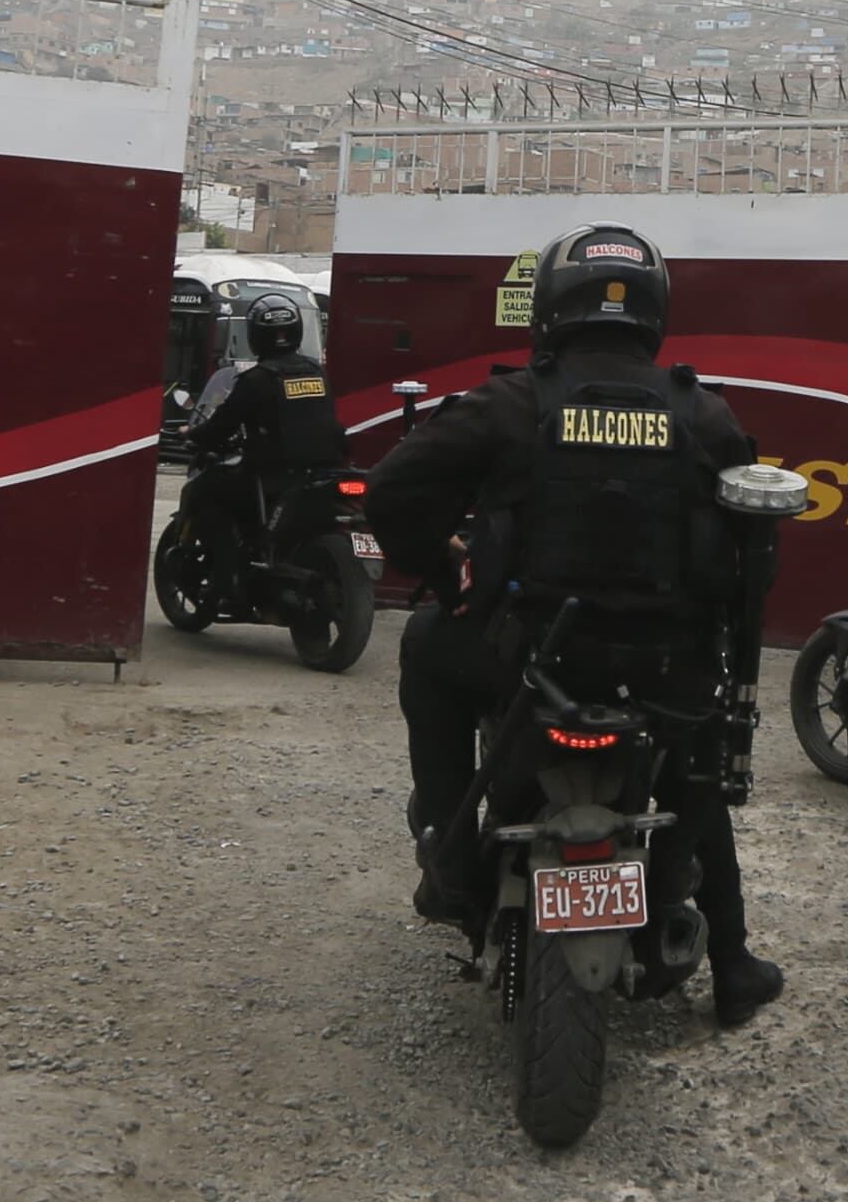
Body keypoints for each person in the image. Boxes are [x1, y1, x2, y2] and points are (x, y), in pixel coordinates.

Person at [366, 223, 786, 1028]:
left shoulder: (509, 402)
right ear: (654, 311)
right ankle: (731, 963)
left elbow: (390, 491)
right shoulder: (705, 415)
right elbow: (750, 556)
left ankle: (451, 864)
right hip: (663, 674)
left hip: (526, 664)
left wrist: (441, 569)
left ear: (552, 306)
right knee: (695, 764)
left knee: (424, 644)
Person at [176, 291, 344, 604]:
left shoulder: (257, 379)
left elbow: (222, 424)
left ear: (256, 335)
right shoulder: (318, 373)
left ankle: (227, 576)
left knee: (206, 492)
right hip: (325, 471)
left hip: (273, 475)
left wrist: (196, 435)